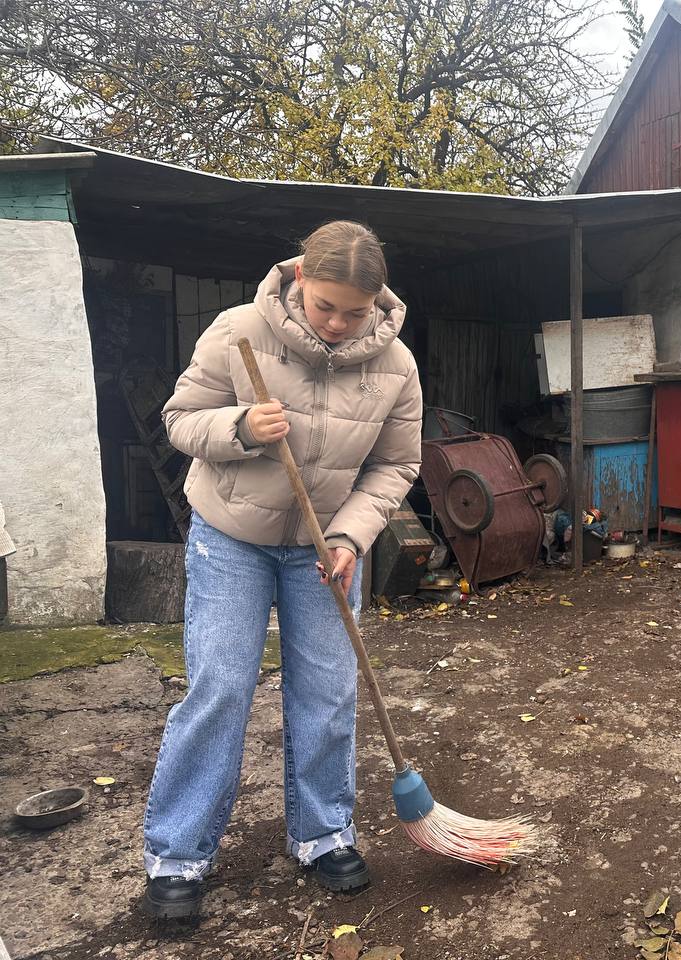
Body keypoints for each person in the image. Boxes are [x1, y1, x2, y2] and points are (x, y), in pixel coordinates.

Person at [142, 221, 423, 919]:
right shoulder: (241, 328)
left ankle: (324, 834)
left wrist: (351, 537)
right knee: (221, 685)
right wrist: (239, 428)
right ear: (302, 280)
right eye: (326, 305)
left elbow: (397, 464)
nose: (336, 324)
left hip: (322, 549)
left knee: (328, 691)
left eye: (353, 312)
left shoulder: (396, 365)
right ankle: (178, 853)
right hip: (231, 536)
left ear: (376, 302)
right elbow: (179, 419)